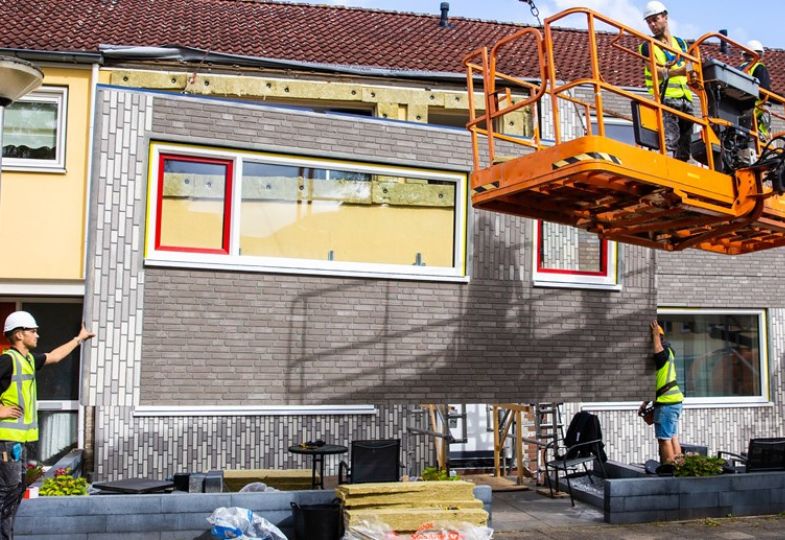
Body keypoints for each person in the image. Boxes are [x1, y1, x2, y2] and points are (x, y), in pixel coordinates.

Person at [0, 311, 94, 540]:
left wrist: (78, 338)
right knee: (7, 493)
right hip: (7, 440)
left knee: (14, 492)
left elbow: (54, 357)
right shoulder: (6, 360)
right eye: (33, 331)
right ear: (20, 334)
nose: (37, 335)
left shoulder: (29, 360)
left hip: (20, 443)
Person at [639, 1, 694, 161]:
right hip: (666, 100)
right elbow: (657, 72)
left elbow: (690, 66)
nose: (652, 24)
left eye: (655, 19)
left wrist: (694, 71)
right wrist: (680, 71)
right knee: (669, 145)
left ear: (665, 17)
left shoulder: (681, 43)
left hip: (686, 100)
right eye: (649, 22)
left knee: (684, 151)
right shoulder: (648, 45)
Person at [639, 320, 683, 465]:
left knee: (664, 440)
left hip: (666, 404)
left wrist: (655, 334)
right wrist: (645, 403)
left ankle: (670, 469)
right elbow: (658, 384)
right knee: (673, 437)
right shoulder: (669, 352)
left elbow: (657, 347)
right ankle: (680, 468)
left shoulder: (662, 353)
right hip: (674, 402)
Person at [739, 39, 772, 141]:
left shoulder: (738, 69)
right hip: (754, 110)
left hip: (739, 111)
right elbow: (764, 90)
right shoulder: (759, 67)